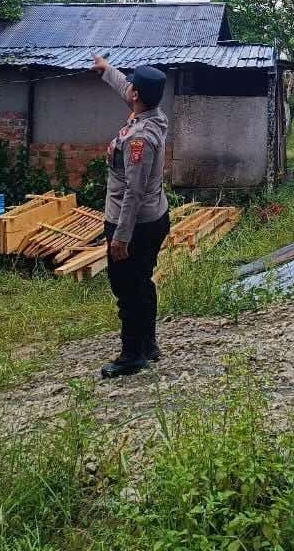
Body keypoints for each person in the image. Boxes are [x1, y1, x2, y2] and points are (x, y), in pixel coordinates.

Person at [91, 54, 170, 379]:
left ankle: (132, 355)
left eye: (132, 87)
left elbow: (133, 192)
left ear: (137, 95)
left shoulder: (140, 138)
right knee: (141, 282)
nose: (128, 89)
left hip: (135, 224)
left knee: (127, 289)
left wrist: (121, 237)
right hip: (153, 217)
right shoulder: (153, 114)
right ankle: (148, 345)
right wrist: (106, 69)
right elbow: (126, 87)